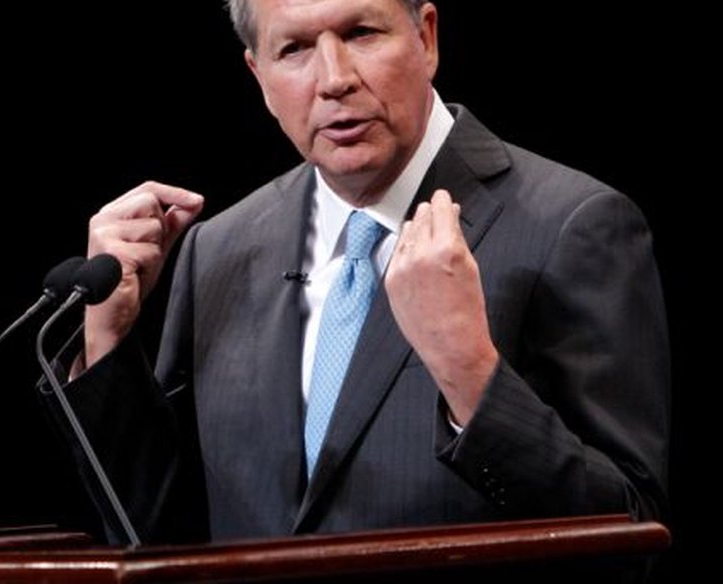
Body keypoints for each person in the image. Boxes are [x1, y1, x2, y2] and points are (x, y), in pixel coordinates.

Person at [53, 0, 670, 544]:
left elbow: (630, 533)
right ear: (258, 76)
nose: (334, 80)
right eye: (293, 49)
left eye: (361, 34)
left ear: (426, 38)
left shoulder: (573, 225)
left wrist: (468, 373)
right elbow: (158, 533)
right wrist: (106, 339)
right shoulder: (219, 249)